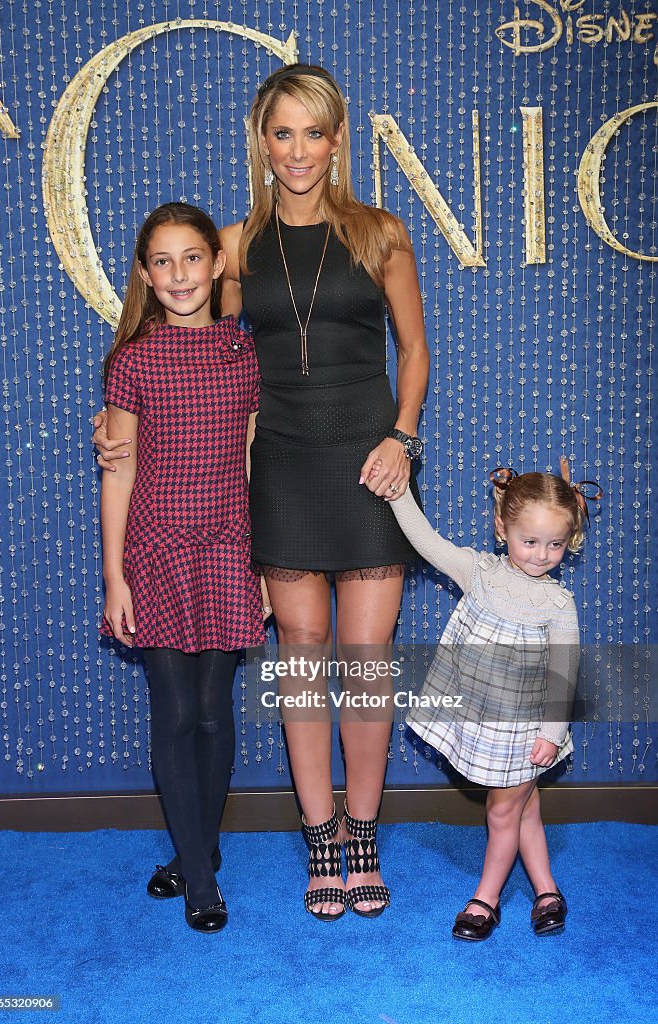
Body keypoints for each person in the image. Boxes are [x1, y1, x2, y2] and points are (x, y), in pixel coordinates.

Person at [95, 64, 429, 920]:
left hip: (368, 466)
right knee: (301, 656)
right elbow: (205, 346)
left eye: (313, 132)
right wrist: (119, 425)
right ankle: (319, 839)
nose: (298, 151)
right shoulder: (236, 245)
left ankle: (362, 831)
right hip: (278, 468)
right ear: (261, 141)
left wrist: (402, 437)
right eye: (281, 133)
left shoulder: (382, 232)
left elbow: (414, 353)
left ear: (337, 138)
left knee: (364, 666)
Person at [100, 202, 266, 934]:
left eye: (191, 257)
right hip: (155, 550)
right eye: (161, 262)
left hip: (229, 547)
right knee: (172, 713)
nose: (178, 274)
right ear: (144, 274)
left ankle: (198, 848)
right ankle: (200, 876)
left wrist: (262, 561)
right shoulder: (132, 359)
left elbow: (256, 460)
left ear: (217, 263)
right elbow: (120, 471)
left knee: (210, 711)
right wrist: (114, 577)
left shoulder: (244, 351)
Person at [388, 460, 601, 939]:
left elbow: (563, 675)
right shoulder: (478, 572)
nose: (542, 554)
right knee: (523, 808)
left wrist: (552, 735)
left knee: (503, 810)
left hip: (528, 732)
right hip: (484, 723)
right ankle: (547, 889)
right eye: (531, 541)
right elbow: (427, 542)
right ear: (502, 527)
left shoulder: (557, 603)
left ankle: (486, 898)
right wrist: (398, 493)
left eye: (556, 544)